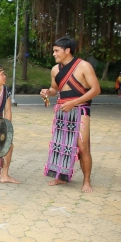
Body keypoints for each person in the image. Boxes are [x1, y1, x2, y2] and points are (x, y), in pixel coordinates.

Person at [40, 37, 101, 193]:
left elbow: (96, 89)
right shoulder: (55, 70)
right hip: (62, 110)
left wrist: (74, 102)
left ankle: (86, 181)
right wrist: (47, 92)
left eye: (56, 51)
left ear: (67, 50)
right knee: (61, 144)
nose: (54, 54)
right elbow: (55, 90)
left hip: (80, 110)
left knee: (82, 146)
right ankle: (61, 176)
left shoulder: (84, 66)